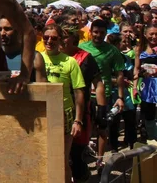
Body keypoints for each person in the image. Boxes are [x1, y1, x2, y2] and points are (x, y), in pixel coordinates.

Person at [57, 19, 107, 182]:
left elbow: (98, 83)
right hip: (57, 111)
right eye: (59, 36)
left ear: (73, 38)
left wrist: (101, 110)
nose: (61, 40)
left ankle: (82, 177)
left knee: (76, 156)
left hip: (80, 112)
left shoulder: (85, 58)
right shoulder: (51, 56)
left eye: (64, 36)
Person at [78, 19, 126, 167]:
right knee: (83, 128)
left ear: (106, 34)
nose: (98, 35)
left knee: (102, 128)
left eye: (102, 33)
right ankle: (81, 158)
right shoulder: (82, 47)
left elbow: (119, 74)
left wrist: (120, 97)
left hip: (103, 96)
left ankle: (100, 160)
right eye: (95, 32)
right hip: (84, 94)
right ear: (90, 32)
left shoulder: (112, 51)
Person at [41, 24, 85, 182]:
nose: (49, 41)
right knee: (43, 157)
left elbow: (79, 91)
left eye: (54, 38)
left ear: (60, 39)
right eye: (46, 37)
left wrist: (78, 120)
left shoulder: (70, 62)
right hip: (41, 113)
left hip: (64, 113)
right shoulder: (36, 58)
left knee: (61, 159)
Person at [0, 16, 47, 82]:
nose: (2, 33)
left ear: (19, 31)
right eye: (0, 29)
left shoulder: (34, 58)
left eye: (7, 29)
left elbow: (42, 89)